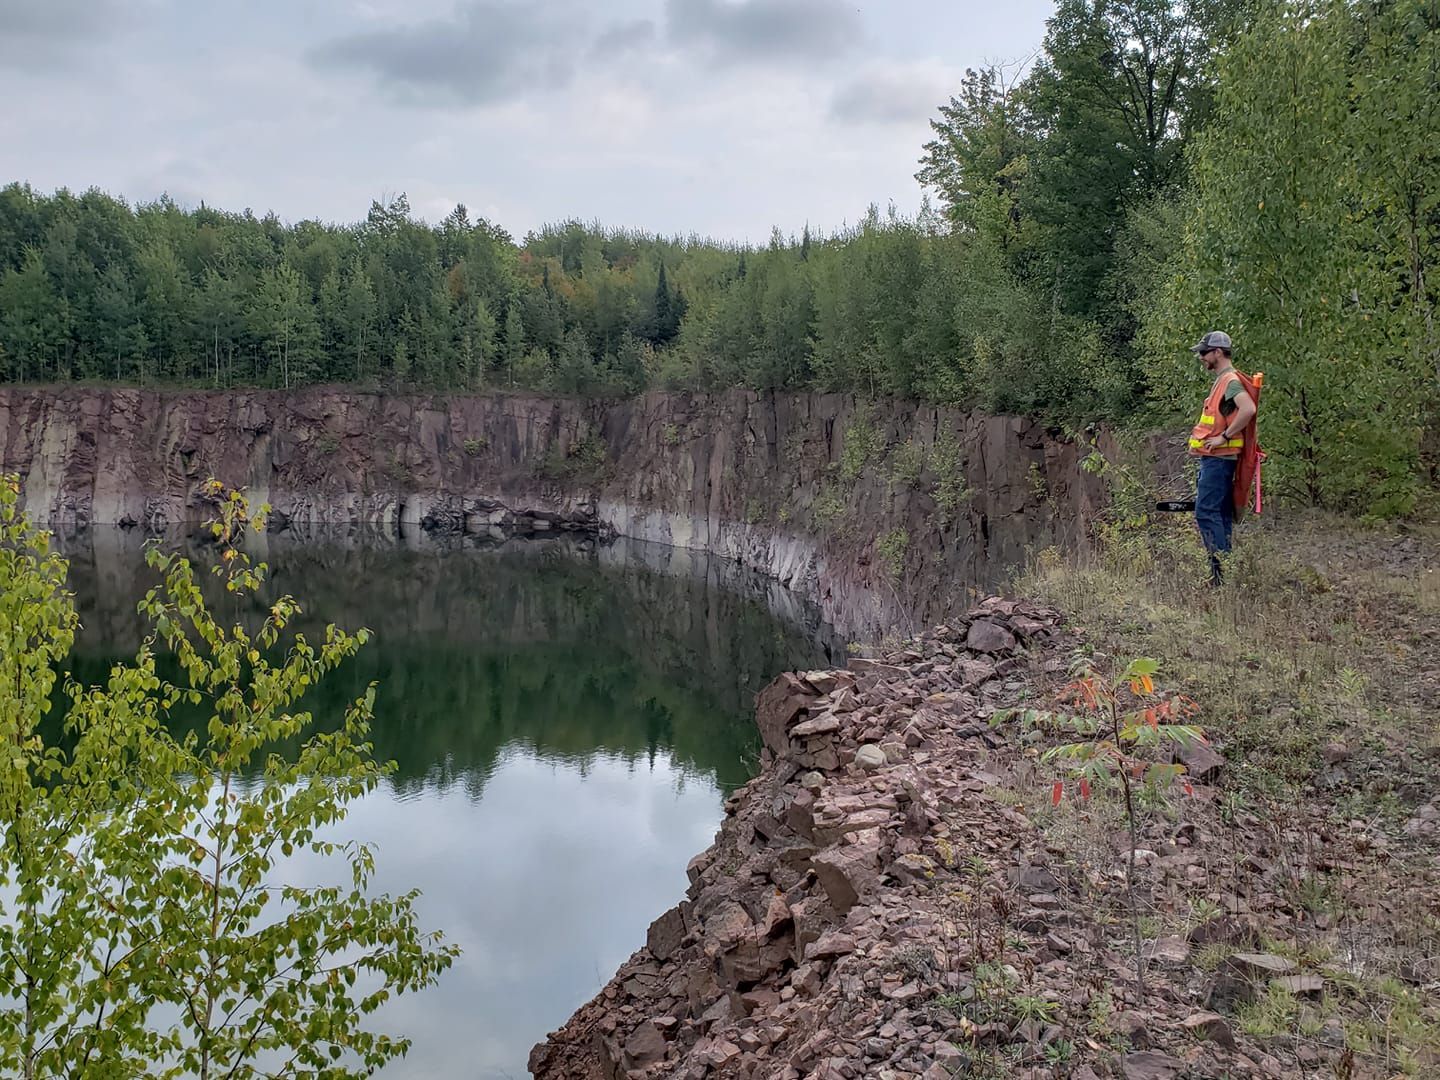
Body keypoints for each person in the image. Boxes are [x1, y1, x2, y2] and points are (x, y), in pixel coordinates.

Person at [1187, 331, 1256, 583]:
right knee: (1220, 514)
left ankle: (1220, 577)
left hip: (1219, 459)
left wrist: (1223, 437)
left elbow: (1248, 408)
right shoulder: (1224, 381)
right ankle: (1225, 575)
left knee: (1206, 513)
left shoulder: (1230, 381)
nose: (1201, 358)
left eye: (1204, 353)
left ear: (1217, 352)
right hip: (1217, 459)